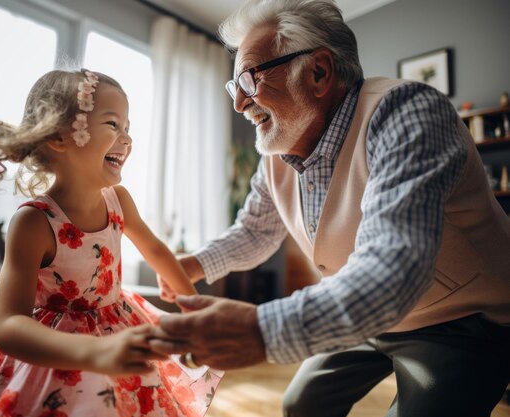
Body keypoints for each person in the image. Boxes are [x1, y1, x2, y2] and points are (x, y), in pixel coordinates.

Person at [150, 0, 510, 416]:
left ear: (319, 72)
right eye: (236, 88)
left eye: (249, 79)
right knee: (301, 404)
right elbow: (255, 232)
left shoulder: (407, 112)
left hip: (464, 320)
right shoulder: (276, 154)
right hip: (364, 310)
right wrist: (192, 265)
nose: (239, 104)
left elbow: (393, 269)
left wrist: (260, 330)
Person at [0, 69, 222, 417]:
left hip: (119, 324)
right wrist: (93, 352)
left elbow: (155, 250)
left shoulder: (119, 199)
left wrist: (192, 309)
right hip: (56, 354)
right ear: (60, 137)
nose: (127, 139)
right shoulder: (33, 222)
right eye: (112, 124)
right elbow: (9, 326)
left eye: (128, 128)